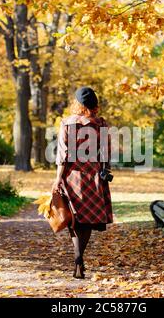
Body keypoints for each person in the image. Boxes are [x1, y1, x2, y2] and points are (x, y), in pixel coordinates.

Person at [53, 86, 113, 279]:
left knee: (74, 218)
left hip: (72, 176)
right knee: (86, 220)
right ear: (94, 104)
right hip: (93, 176)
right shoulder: (101, 123)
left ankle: (78, 258)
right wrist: (105, 171)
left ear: (77, 104)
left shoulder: (67, 123)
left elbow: (64, 155)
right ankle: (79, 257)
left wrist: (57, 179)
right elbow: (106, 153)